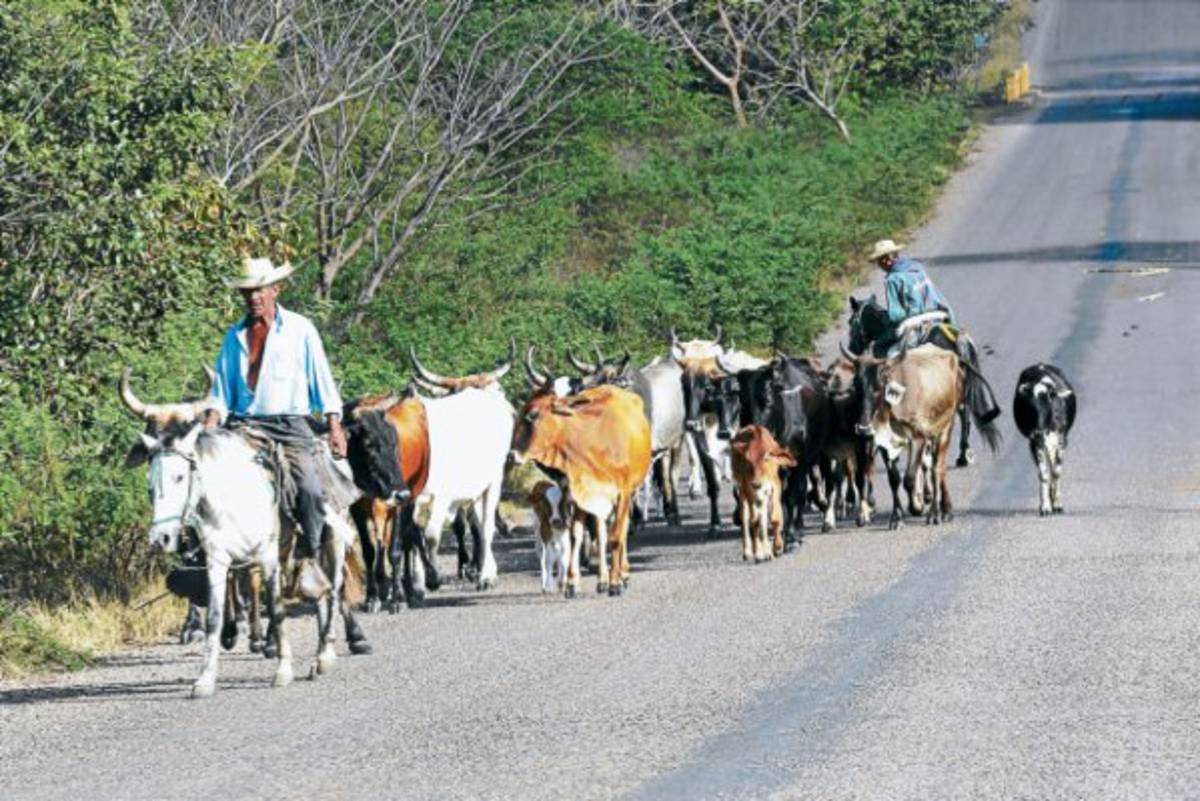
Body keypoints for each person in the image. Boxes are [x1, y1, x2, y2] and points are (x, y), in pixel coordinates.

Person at [202, 255, 374, 600]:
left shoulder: (300, 329)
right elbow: (220, 394)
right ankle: (205, 558)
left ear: (275, 289)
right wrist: (209, 427)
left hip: (291, 425)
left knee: (309, 488)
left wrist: (334, 425)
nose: (253, 297)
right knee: (208, 483)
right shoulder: (234, 337)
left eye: (259, 290)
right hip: (245, 426)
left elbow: (323, 382)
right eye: (247, 292)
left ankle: (309, 555)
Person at [870, 239, 955, 348]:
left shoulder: (892, 279)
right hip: (939, 315)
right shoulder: (917, 267)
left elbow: (895, 315)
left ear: (886, 260)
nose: (879, 265)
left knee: (879, 347)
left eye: (879, 261)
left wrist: (887, 318)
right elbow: (937, 295)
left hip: (916, 322)